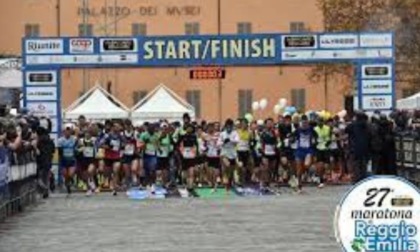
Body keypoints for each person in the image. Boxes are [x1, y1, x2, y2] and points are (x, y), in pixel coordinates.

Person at [292, 115, 317, 192]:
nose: (304, 124)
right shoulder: (298, 130)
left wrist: (314, 141)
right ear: (301, 123)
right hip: (299, 150)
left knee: (306, 165)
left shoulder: (311, 129)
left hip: (308, 150)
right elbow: (292, 137)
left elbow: (316, 137)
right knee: (299, 169)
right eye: (303, 123)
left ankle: (308, 174)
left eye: (306, 123)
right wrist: (291, 139)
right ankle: (299, 184)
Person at [345, 112, 371, 184]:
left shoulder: (352, 125)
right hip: (366, 147)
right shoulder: (368, 125)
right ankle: (363, 178)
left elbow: (346, 130)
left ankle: (356, 179)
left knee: (355, 164)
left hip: (354, 147)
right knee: (364, 164)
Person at [218, 119, 239, 194]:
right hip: (224, 153)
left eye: (230, 125)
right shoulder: (222, 134)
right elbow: (218, 144)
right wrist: (223, 142)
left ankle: (229, 184)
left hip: (233, 154)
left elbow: (237, 141)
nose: (229, 127)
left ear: (232, 126)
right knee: (225, 168)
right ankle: (226, 188)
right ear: (226, 126)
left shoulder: (235, 133)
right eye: (227, 125)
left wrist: (230, 140)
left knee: (231, 172)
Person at [179, 123, 199, 197]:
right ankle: (185, 185)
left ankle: (190, 187)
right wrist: (182, 153)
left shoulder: (194, 136)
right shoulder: (182, 136)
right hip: (184, 157)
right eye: (188, 128)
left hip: (191, 156)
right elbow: (179, 146)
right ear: (186, 129)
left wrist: (196, 153)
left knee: (191, 172)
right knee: (185, 174)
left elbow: (196, 145)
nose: (189, 129)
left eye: (191, 128)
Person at [103, 122, 123, 196]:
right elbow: (101, 144)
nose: (118, 128)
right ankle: (110, 181)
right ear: (113, 128)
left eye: (119, 127)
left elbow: (123, 144)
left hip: (116, 156)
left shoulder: (120, 136)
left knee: (115, 171)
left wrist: (122, 146)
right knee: (108, 173)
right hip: (108, 156)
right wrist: (108, 147)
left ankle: (114, 187)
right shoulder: (108, 136)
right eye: (116, 127)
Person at [138, 123, 159, 191]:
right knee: (145, 169)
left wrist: (158, 149)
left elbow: (157, 144)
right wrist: (144, 144)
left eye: (153, 129)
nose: (152, 130)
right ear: (148, 129)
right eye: (151, 129)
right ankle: (146, 183)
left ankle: (152, 183)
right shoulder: (143, 135)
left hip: (153, 154)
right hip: (145, 154)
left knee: (152, 169)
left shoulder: (156, 135)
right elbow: (139, 144)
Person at [77, 127, 97, 196]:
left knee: (90, 171)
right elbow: (77, 149)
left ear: (91, 134)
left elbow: (98, 146)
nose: (87, 134)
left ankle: (92, 182)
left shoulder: (94, 140)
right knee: (85, 176)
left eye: (88, 133)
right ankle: (89, 189)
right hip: (84, 160)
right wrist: (80, 149)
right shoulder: (81, 140)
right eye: (86, 133)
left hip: (92, 159)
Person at [57, 126, 77, 196]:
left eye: (69, 131)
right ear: (64, 132)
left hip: (72, 160)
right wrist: (60, 160)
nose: (68, 132)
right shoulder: (60, 140)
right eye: (66, 131)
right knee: (65, 175)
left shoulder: (74, 139)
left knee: (70, 174)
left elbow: (77, 147)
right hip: (64, 160)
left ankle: (71, 180)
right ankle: (68, 186)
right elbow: (59, 152)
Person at [260, 118, 278, 190]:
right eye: (268, 123)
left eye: (271, 123)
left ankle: (268, 183)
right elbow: (261, 142)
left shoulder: (275, 132)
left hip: (273, 152)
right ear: (265, 124)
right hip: (265, 152)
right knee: (265, 168)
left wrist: (276, 146)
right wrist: (262, 150)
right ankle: (263, 182)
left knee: (271, 169)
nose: (270, 124)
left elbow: (277, 142)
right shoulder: (263, 133)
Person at [204, 123, 221, 193]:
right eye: (209, 128)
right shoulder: (205, 136)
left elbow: (220, 144)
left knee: (215, 172)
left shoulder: (218, 135)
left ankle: (215, 186)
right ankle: (212, 184)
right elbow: (204, 145)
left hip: (216, 156)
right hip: (209, 156)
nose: (210, 129)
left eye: (212, 127)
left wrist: (217, 143)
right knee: (210, 172)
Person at [314, 118, 331, 188]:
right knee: (320, 165)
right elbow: (313, 139)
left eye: (321, 121)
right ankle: (321, 180)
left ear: (323, 122)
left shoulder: (327, 128)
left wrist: (327, 144)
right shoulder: (315, 129)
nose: (320, 123)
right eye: (318, 121)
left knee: (326, 166)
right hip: (318, 148)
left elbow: (329, 138)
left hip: (326, 148)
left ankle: (322, 176)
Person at [121, 120, 139, 188]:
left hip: (134, 154)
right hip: (125, 154)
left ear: (131, 125)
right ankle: (128, 183)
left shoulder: (135, 133)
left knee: (134, 169)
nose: (128, 127)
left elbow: (139, 143)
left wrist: (137, 149)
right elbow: (120, 144)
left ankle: (135, 180)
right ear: (124, 126)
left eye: (129, 125)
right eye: (126, 125)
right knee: (127, 173)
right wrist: (123, 145)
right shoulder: (122, 134)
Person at [156, 122, 173, 187]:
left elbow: (171, 143)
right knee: (159, 170)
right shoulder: (158, 135)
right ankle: (159, 182)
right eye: (163, 128)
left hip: (166, 155)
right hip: (159, 155)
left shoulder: (169, 135)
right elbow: (156, 143)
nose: (164, 129)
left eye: (165, 128)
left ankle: (165, 183)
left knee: (166, 170)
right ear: (161, 128)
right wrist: (160, 137)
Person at [236, 119, 252, 185]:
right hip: (238, 151)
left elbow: (250, 142)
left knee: (244, 168)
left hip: (246, 151)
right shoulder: (237, 132)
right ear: (241, 124)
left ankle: (242, 181)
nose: (244, 125)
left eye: (245, 123)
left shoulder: (249, 133)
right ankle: (238, 179)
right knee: (240, 166)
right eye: (243, 123)